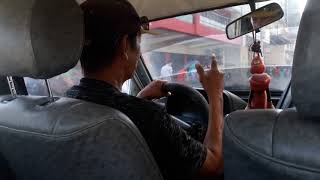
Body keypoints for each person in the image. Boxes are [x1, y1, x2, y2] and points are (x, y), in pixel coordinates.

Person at [67, 0, 224, 179]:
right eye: (139, 43)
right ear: (125, 46)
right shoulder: (149, 117)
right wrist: (216, 95)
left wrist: (139, 99)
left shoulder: (65, 104)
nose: (140, 52)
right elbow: (214, 165)